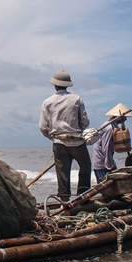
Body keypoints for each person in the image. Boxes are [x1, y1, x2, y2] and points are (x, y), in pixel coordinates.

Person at [39, 70, 91, 199]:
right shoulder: (76, 99)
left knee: (62, 172)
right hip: (77, 142)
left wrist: (52, 136)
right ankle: (83, 196)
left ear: (54, 85)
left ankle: (64, 200)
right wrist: (77, 129)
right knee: (85, 166)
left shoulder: (47, 102)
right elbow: (85, 121)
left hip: (59, 143)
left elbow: (43, 126)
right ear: (67, 85)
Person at [93, 103, 132, 182]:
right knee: (105, 185)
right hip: (102, 163)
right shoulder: (109, 128)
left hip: (106, 162)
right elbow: (106, 148)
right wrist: (111, 166)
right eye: (124, 117)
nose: (125, 119)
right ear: (119, 117)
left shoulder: (114, 127)